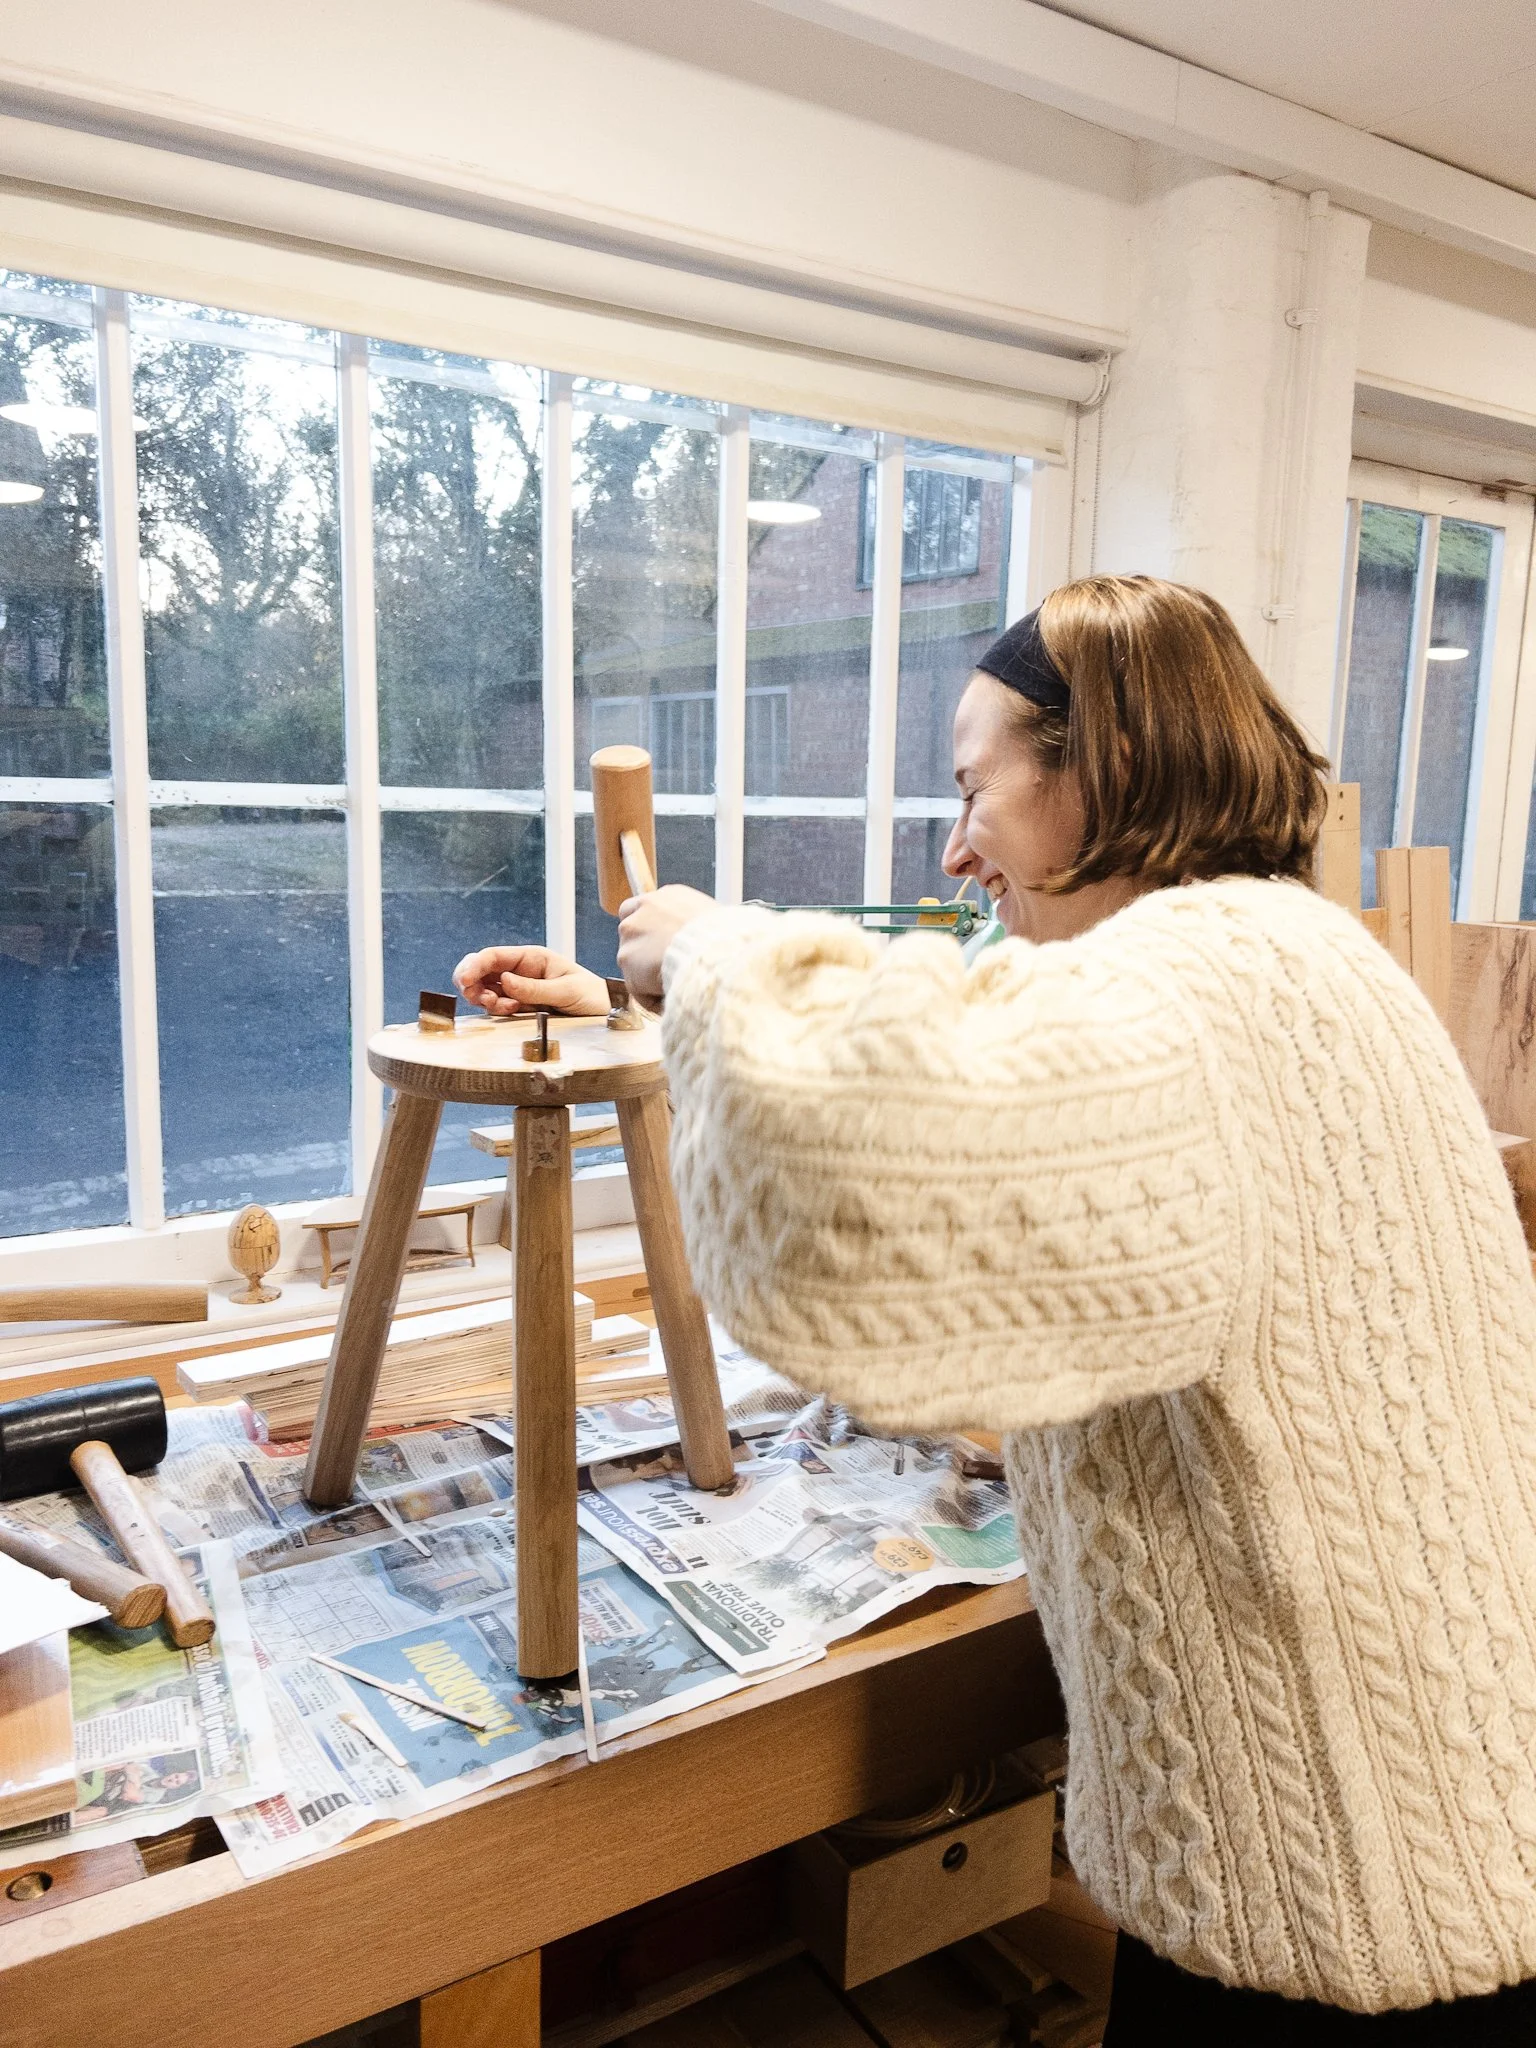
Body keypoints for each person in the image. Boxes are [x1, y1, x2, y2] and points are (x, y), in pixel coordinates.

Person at [456, 575, 1536, 2043]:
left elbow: (856, 1146)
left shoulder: (1190, 994)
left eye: (976, 789)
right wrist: (624, 1000)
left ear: (1105, 765)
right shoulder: (1302, 952)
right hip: (1449, 1800)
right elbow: (978, 1037)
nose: (959, 850)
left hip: (1351, 1893)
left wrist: (703, 948)